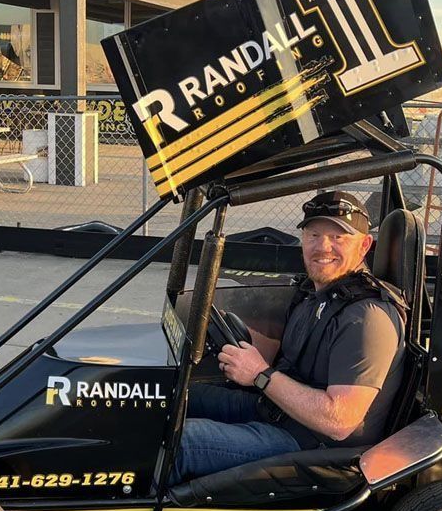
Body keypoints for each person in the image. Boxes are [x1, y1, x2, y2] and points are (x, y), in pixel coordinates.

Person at [172, 190, 407, 483]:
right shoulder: (317, 293)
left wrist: (260, 375)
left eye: (338, 238)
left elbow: (339, 421)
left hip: (313, 445)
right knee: (170, 397)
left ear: (364, 245)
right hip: (279, 412)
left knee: (181, 443)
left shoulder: (367, 318)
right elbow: (286, 353)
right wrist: (232, 333)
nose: (323, 247)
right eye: (314, 235)